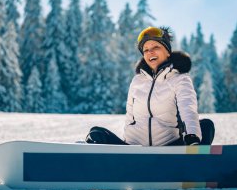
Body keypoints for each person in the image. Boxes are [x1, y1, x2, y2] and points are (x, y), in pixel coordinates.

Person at [86, 26, 215, 146]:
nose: (150, 52)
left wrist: (192, 135)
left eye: (155, 47)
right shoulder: (137, 81)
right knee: (96, 133)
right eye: (146, 50)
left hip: (168, 148)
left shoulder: (180, 79)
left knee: (206, 126)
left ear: (168, 52)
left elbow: (188, 108)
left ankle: (195, 159)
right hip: (135, 148)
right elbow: (129, 118)